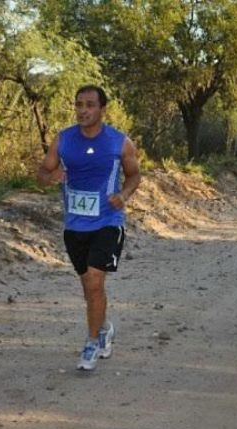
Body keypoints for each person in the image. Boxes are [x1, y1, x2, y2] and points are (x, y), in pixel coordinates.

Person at [37, 85, 141, 371]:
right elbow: (42, 173)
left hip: (108, 221)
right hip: (74, 225)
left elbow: (134, 176)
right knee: (88, 287)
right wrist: (51, 175)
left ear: (102, 109)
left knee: (95, 282)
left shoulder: (119, 142)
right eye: (79, 104)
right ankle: (105, 326)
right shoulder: (63, 140)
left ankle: (92, 342)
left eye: (90, 105)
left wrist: (123, 195)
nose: (83, 110)